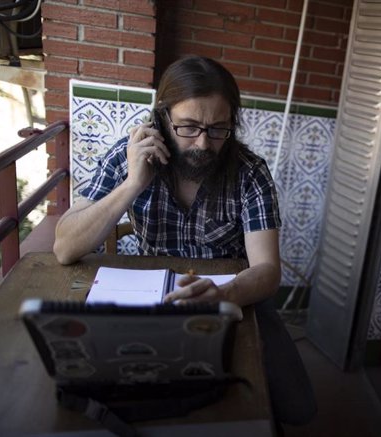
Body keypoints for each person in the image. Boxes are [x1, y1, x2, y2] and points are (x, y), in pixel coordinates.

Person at [53, 55, 317, 426]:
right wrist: (132, 184)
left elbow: (268, 270)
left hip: (235, 298)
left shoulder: (249, 173)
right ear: (162, 118)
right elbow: (65, 247)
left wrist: (225, 295)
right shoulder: (130, 155)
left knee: (297, 408)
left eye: (218, 129)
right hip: (150, 299)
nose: (203, 144)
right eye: (189, 127)